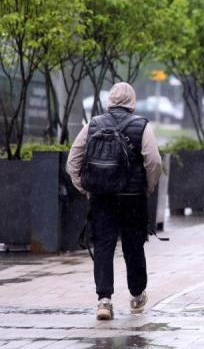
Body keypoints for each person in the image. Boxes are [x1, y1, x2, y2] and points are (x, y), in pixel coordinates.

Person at [67, 82, 162, 320]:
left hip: (102, 197)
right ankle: (137, 296)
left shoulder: (93, 125)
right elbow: (154, 162)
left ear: (110, 100)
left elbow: (73, 161)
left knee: (103, 246)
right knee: (133, 245)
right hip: (132, 199)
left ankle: (104, 301)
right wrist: (147, 188)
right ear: (132, 101)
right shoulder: (142, 127)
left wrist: (85, 187)